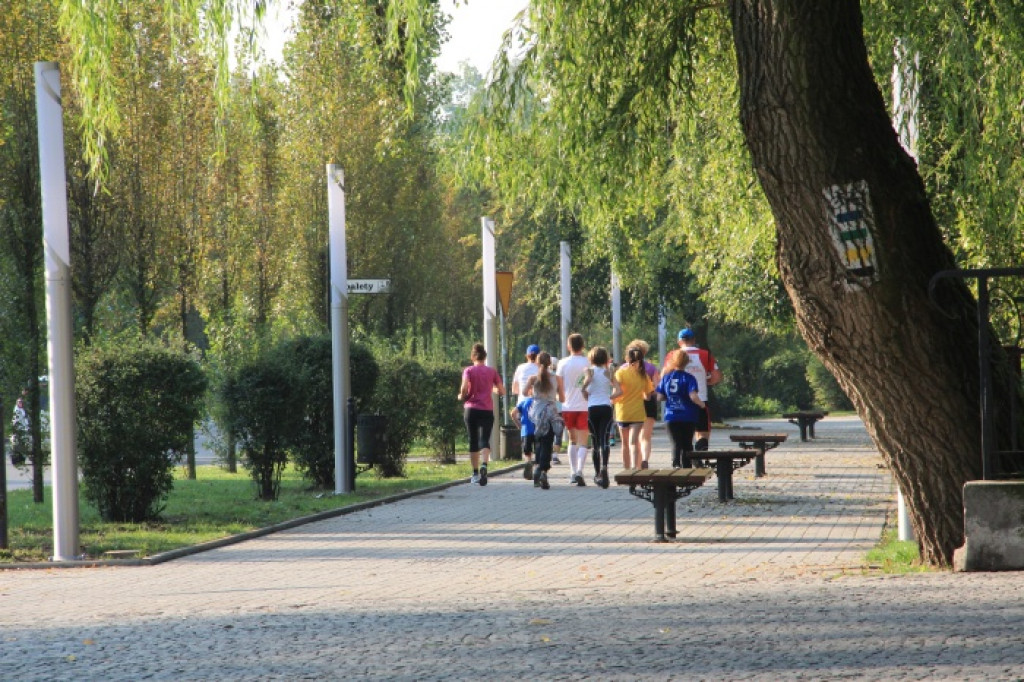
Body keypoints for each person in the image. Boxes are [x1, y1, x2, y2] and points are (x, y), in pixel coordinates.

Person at [663, 327, 722, 450]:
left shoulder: (672, 355)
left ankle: (683, 458)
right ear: (694, 340)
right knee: (703, 433)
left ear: (679, 342)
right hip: (700, 399)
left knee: (682, 435)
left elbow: (664, 376)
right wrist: (706, 381)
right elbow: (716, 377)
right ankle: (699, 453)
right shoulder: (705, 355)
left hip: (677, 401)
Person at [457, 343, 505, 486]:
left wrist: (461, 395)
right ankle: (485, 464)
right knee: (484, 439)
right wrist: (493, 390)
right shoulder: (492, 372)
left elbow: (464, 387)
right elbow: (502, 391)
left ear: (472, 357)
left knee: (473, 440)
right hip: (486, 409)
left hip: (471, 409)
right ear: (485, 357)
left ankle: (475, 473)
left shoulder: (469, 370)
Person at [655, 349, 706, 468]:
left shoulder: (667, 377)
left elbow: (659, 397)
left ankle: (675, 463)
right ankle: (687, 467)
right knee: (687, 443)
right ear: (687, 362)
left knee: (676, 443)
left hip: (671, 415)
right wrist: (702, 404)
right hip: (688, 415)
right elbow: (693, 396)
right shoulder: (689, 378)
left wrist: (671, 397)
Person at [582, 345, 622, 488]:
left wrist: (584, 390)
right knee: (605, 439)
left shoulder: (589, 372)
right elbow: (619, 391)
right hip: (606, 408)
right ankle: (605, 467)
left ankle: (597, 473)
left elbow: (585, 392)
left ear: (591, 358)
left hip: (592, 409)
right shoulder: (608, 373)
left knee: (595, 442)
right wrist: (609, 397)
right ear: (605, 358)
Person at [524, 352, 564, 489]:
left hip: (536, 414)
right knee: (548, 441)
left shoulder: (533, 378)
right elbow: (563, 399)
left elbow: (523, 393)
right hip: (551, 413)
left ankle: (538, 468)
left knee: (539, 441)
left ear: (537, 363)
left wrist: (531, 390)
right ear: (550, 364)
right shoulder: (557, 379)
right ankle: (542, 470)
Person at [556, 333, 591, 486]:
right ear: (583, 346)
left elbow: (559, 386)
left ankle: (572, 472)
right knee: (583, 440)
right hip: (585, 405)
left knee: (572, 439)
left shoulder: (562, 363)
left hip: (567, 406)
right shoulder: (588, 362)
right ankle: (579, 471)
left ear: (568, 346)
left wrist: (561, 399)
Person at [614, 346, 654, 469]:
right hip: (637, 412)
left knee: (625, 443)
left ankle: (626, 470)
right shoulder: (644, 376)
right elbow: (647, 397)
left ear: (627, 358)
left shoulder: (620, 373)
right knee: (634, 442)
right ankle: (634, 468)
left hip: (622, 411)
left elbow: (617, 391)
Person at [624, 339, 660, 468]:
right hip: (648, 403)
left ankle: (634, 465)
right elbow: (657, 387)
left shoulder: (624, 368)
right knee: (645, 437)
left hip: (631, 404)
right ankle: (644, 459)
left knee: (632, 439)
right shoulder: (651, 368)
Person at [511, 344, 540, 472]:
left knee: (526, 434)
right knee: (539, 436)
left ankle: (528, 460)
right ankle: (539, 466)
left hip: (523, 404)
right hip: (539, 405)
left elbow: (514, 389)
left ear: (527, 355)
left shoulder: (520, 368)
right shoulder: (541, 369)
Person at [510, 395, 536, 482]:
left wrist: (519, 425)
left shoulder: (524, 401)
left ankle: (528, 463)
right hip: (538, 431)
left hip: (526, 430)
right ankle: (539, 471)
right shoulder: (540, 401)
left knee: (527, 452)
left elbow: (513, 413)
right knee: (539, 451)